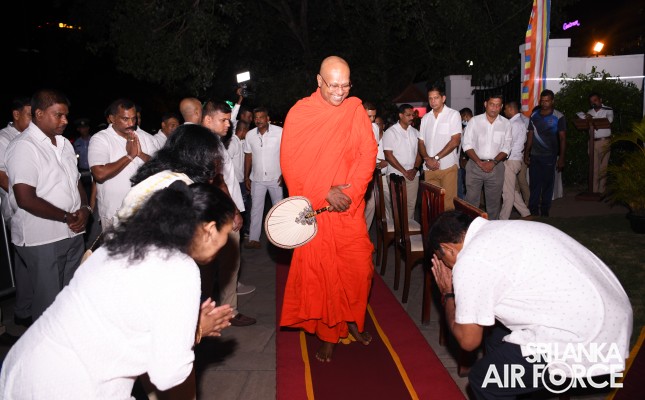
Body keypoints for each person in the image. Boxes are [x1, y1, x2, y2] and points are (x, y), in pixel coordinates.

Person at [0, 182, 235, 398]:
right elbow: (167, 374)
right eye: (225, 234)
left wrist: (183, 324)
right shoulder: (179, 268)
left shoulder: (121, 244)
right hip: (72, 386)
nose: (224, 245)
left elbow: (124, 323)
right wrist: (196, 331)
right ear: (209, 229)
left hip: (26, 367)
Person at [429, 210, 632, 399]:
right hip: (614, 318)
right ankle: (512, 387)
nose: (446, 267)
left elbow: (468, 341)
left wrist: (448, 294)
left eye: (441, 261)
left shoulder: (470, 261)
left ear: (447, 249)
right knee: (495, 337)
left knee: (484, 379)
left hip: (587, 339)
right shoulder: (502, 228)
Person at [280, 55, 377, 362]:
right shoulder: (300, 113)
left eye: (345, 85)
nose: (339, 92)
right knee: (322, 275)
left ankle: (353, 319)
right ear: (319, 81)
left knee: (359, 270)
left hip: (348, 208)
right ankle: (328, 334)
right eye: (333, 85)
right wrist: (324, 191)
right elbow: (290, 163)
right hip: (317, 210)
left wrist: (350, 193)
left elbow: (368, 153)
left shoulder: (354, 109)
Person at [5, 89, 90, 321]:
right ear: (39, 114)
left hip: (73, 231)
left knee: (71, 297)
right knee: (48, 305)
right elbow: (25, 198)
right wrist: (66, 217)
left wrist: (85, 209)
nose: (65, 120)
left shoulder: (64, 144)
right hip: (43, 237)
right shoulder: (24, 146)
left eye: (66, 115)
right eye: (58, 115)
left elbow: (76, 183)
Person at [201, 100, 256, 326]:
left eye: (228, 119)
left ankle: (211, 312)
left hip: (214, 211)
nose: (228, 124)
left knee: (216, 266)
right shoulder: (209, 145)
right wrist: (234, 211)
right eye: (223, 120)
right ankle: (221, 313)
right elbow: (218, 181)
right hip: (221, 213)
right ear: (207, 119)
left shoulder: (212, 141)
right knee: (225, 265)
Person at [89, 98, 155, 231]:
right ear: (112, 118)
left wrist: (140, 154)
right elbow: (99, 174)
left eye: (133, 118)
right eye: (125, 119)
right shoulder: (101, 139)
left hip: (146, 212)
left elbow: (159, 167)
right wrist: (129, 156)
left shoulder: (146, 137)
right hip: (116, 215)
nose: (131, 123)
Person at [0, 96, 32, 327]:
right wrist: (27, 198)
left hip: (35, 206)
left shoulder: (32, 136)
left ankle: (26, 308)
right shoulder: (4, 138)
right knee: (25, 259)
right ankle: (24, 310)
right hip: (19, 207)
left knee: (28, 260)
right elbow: (2, 176)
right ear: (16, 114)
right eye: (30, 114)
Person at [462, 94, 512, 220]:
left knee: (494, 204)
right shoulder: (475, 121)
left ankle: (491, 229)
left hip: (496, 167)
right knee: (471, 202)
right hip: (474, 166)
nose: (494, 108)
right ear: (485, 104)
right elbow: (467, 144)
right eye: (491, 104)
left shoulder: (506, 123)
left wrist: (493, 162)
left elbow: (507, 147)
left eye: (497, 105)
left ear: (501, 107)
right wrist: (479, 162)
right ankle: (471, 227)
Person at [243, 106, 283, 249]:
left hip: (276, 177)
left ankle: (280, 237)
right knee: (256, 209)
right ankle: (254, 239)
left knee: (278, 208)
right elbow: (248, 156)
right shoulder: (250, 135)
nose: (258, 120)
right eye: (256, 118)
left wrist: (285, 173)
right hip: (257, 178)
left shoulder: (280, 132)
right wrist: (246, 177)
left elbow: (286, 152)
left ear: (268, 118)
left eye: (261, 117)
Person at [418, 86, 462, 211]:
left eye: (436, 98)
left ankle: (448, 225)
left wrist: (436, 158)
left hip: (447, 167)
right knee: (432, 205)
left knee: (448, 204)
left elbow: (455, 141)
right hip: (429, 168)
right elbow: (421, 142)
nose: (433, 101)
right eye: (430, 98)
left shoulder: (453, 115)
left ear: (443, 98)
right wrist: (427, 159)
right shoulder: (426, 118)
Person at [525, 89, 566, 217]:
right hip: (535, 155)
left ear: (552, 101)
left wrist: (561, 158)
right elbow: (530, 135)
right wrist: (526, 153)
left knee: (548, 184)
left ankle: (545, 210)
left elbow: (563, 138)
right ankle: (533, 209)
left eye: (547, 101)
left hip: (550, 156)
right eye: (542, 101)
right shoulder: (534, 115)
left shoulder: (559, 116)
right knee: (534, 184)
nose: (544, 103)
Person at [383, 103, 422, 220]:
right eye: (408, 115)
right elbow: (388, 155)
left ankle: (408, 229)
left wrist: (415, 169)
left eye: (412, 115)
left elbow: (420, 152)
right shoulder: (391, 132)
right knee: (397, 206)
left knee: (410, 206)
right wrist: (405, 172)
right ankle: (397, 230)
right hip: (396, 174)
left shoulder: (415, 132)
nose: (411, 117)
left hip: (413, 175)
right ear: (400, 115)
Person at [499, 101, 532, 220]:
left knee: (507, 193)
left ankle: (503, 219)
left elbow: (508, 144)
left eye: (505, 109)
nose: (504, 111)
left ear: (511, 109)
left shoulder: (514, 124)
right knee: (511, 190)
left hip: (511, 160)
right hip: (515, 159)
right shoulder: (519, 122)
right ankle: (526, 213)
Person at [363, 101, 388, 230]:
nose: (372, 119)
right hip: (356, 173)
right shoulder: (354, 126)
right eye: (369, 116)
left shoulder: (375, 128)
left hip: (370, 172)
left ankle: (365, 233)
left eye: (373, 116)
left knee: (371, 204)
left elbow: (374, 150)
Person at [586, 92, 614, 194]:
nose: (593, 103)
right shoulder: (589, 112)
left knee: (603, 168)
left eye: (595, 100)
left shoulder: (608, 109)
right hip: (592, 142)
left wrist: (593, 120)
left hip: (604, 141)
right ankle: (594, 191)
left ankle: (602, 191)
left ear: (600, 100)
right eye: (591, 102)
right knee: (594, 167)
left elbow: (609, 120)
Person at [457, 108, 473, 200]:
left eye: (462, 118)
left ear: (466, 116)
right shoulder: (465, 129)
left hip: (469, 160)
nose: (461, 121)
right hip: (463, 160)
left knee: (468, 186)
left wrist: (464, 158)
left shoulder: (471, 128)